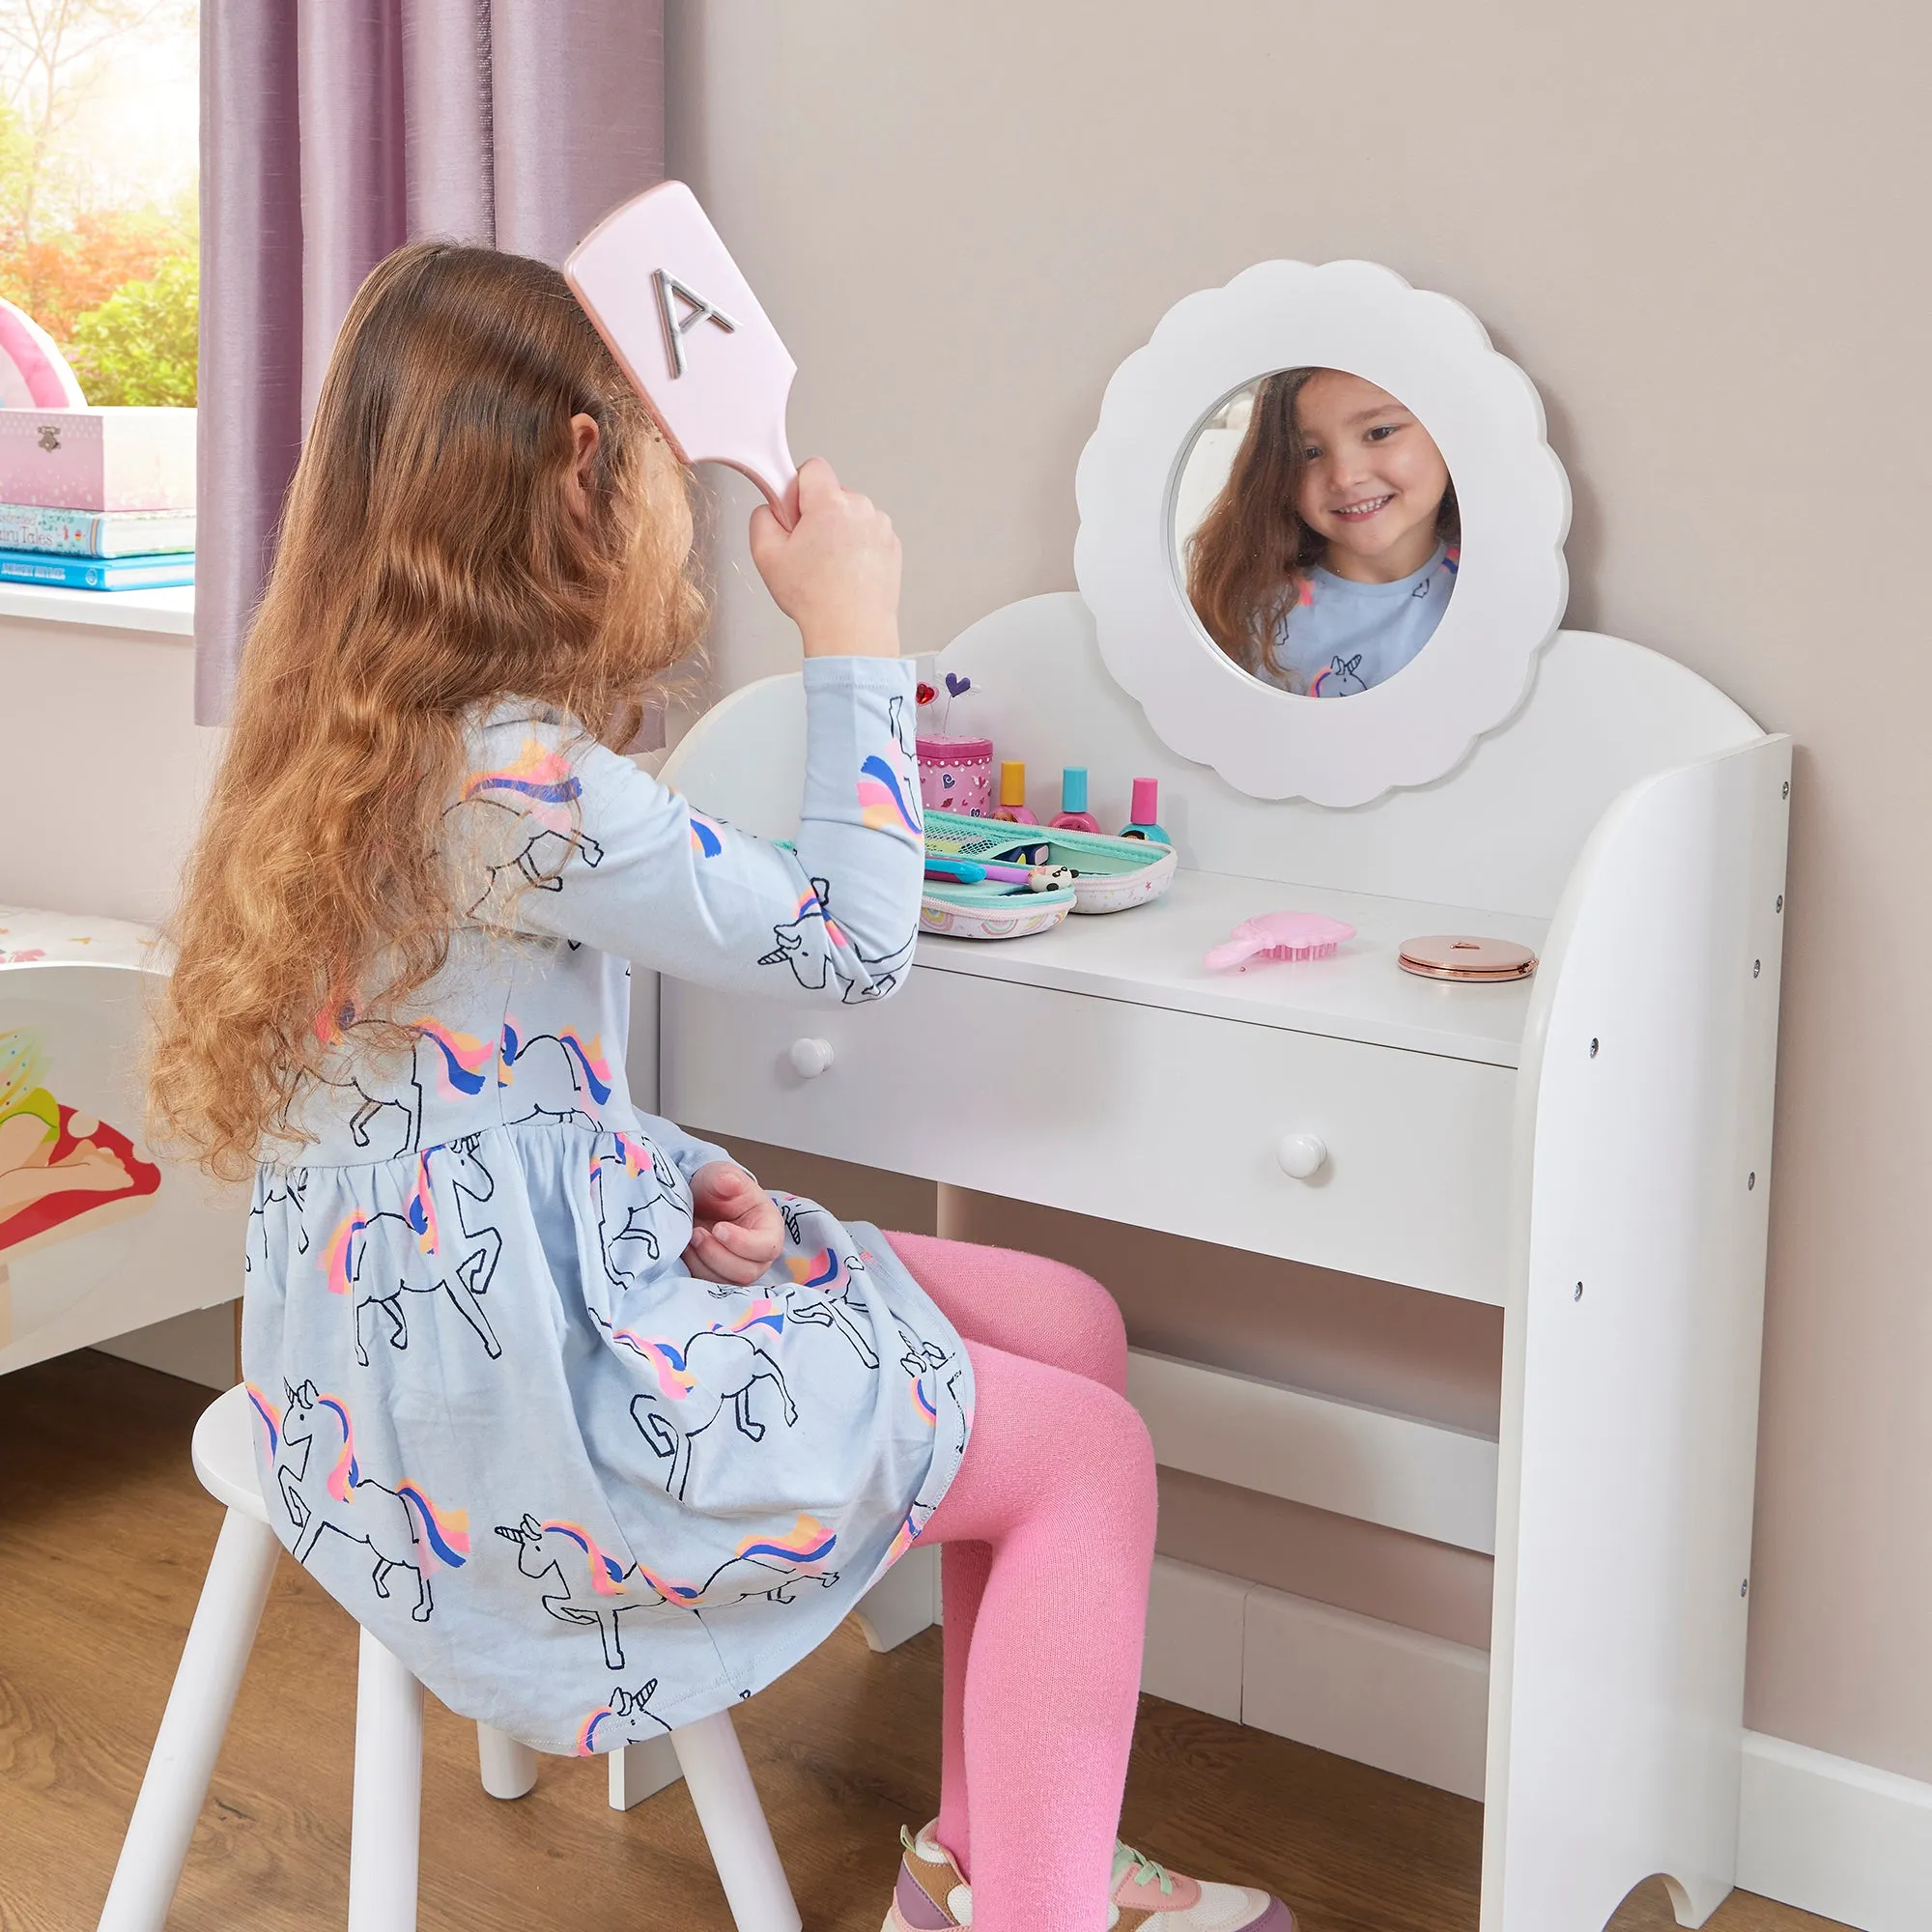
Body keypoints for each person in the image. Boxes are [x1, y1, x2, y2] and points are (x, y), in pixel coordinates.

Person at [150, 243, 1293, 1932]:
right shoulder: (523, 778)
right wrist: (856, 631)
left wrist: (654, 1165)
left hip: (376, 1370)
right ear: (582, 474)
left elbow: (467, 1079)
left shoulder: (351, 733)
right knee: (1091, 1458)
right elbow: (847, 940)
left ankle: (986, 1867)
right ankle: (1035, 1914)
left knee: (1060, 1319)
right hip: (514, 1442)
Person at [1186, 366, 1458, 696]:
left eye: (1380, 432)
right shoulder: (1255, 617)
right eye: (1308, 454)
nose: (1344, 477)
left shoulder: (1500, 581)